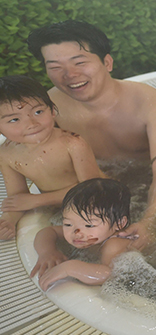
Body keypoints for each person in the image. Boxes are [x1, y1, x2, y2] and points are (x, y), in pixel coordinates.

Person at [27, 20, 156, 243]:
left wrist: (151, 220)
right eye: (55, 67)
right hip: (96, 191)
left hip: (150, 182)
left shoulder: (148, 102)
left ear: (107, 62)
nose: (69, 74)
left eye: (79, 62)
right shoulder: (49, 109)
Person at [0, 76, 100, 240]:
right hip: (62, 208)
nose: (31, 123)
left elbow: (93, 189)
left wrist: (38, 200)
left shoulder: (72, 143)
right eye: (14, 119)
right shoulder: (6, 154)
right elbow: (18, 198)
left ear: (52, 110)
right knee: (44, 240)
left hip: (98, 202)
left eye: (38, 112)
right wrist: (8, 221)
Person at [30, 178, 139, 290]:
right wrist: (47, 252)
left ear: (119, 224)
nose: (77, 233)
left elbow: (109, 275)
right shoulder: (80, 230)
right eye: (68, 224)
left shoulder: (114, 244)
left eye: (89, 226)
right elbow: (47, 232)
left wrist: (70, 267)